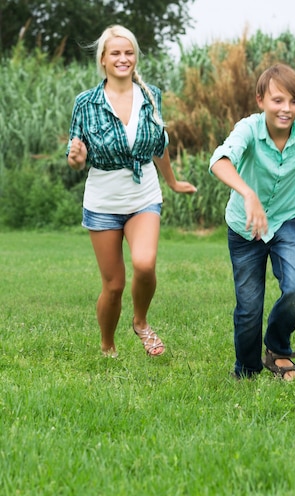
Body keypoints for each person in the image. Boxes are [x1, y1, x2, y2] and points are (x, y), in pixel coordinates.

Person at [66, 25, 197, 358]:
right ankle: (107, 345)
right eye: (115, 53)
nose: (123, 59)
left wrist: (173, 182)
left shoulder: (151, 95)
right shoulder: (86, 102)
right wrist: (77, 158)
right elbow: (76, 154)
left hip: (144, 195)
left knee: (145, 263)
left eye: (129, 53)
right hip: (103, 200)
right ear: (103, 60)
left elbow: (159, 146)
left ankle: (140, 322)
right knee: (114, 286)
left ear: (135, 57)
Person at [209, 63, 295, 380]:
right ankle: (247, 368)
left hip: (285, 221)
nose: (286, 109)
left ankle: (278, 348)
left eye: (294, 101)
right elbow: (219, 161)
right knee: (249, 307)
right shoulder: (248, 130)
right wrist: (247, 194)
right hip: (245, 227)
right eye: (277, 100)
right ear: (260, 100)